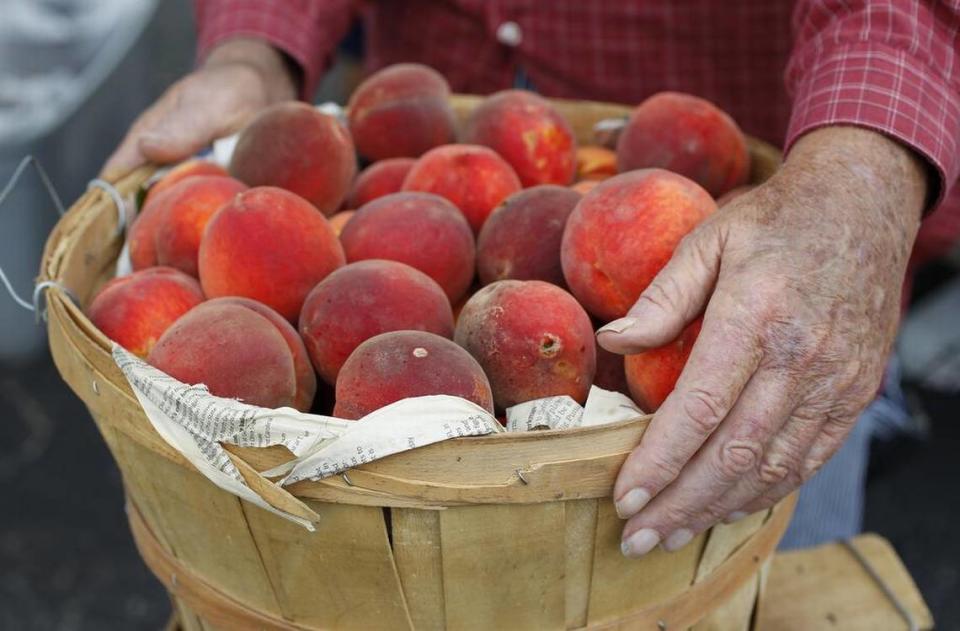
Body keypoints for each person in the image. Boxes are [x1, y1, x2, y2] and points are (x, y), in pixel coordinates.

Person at [103, 1, 960, 555]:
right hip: (412, 135)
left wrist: (860, 180)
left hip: (764, 260)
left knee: (743, 533)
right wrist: (254, 53)